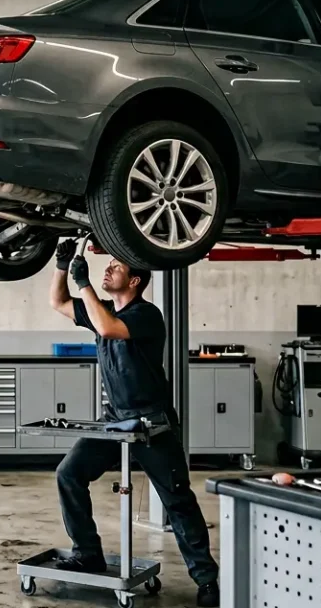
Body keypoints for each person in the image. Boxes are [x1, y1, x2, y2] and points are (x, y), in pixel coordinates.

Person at [48, 238, 220, 607]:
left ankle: (207, 580)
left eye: (117, 267)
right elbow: (59, 303)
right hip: (115, 422)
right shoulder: (102, 311)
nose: (108, 269)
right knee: (68, 474)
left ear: (135, 281)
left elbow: (109, 329)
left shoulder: (146, 315)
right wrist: (62, 266)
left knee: (178, 502)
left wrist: (85, 283)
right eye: (108, 265)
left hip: (152, 424)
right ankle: (88, 552)